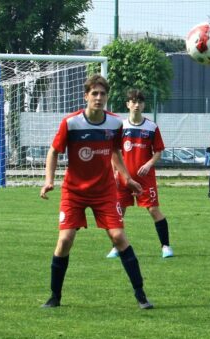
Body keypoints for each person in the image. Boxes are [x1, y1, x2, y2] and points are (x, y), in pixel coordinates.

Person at [39, 74, 153, 310]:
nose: (99, 98)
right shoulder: (71, 123)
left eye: (102, 94)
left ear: (107, 97)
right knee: (65, 240)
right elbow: (53, 152)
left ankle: (141, 295)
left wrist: (127, 179)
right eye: (94, 94)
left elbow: (115, 152)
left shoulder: (115, 124)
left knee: (119, 237)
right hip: (74, 192)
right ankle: (54, 297)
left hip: (104, 191)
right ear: (86, 96)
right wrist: (49, 180)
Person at [105, 89, 174, 260]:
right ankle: (116, 247)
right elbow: (114, 151)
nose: (136, 105)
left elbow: (158, 150)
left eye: (140, 102)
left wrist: (149, 163)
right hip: (123, 178)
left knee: (154, 210)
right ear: (127, 104)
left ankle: (165, 246)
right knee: (119, 212)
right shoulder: (120, 126)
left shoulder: (151, 127)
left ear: (143, 105)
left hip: (145, 179)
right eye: (133, 101)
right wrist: (115, 171)